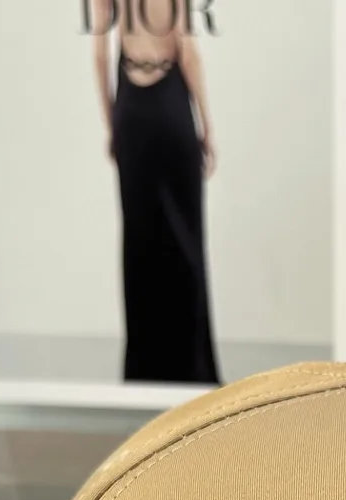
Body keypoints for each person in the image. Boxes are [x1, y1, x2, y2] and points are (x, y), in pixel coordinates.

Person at [94, 0, 221, 384]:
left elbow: (99, 55)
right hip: (170, 107)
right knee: (185, 238)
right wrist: (207, 127)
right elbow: (188, 51)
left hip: (131, 111)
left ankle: (144, 371)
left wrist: (111, 124)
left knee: (140, 240)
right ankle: (193, 370)